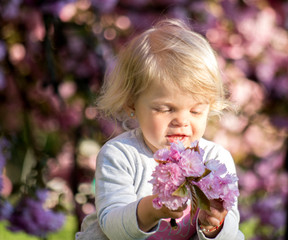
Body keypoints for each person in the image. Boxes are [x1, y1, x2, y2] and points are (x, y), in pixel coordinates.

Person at [76, 18, 244, 240]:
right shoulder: (121, 155)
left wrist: (214, 224)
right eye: (166, 109)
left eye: (195, 111)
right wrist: (151, 210)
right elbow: (112, 226)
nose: (182, 121)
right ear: (132, 105)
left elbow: (231, 231)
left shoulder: (215, 160)